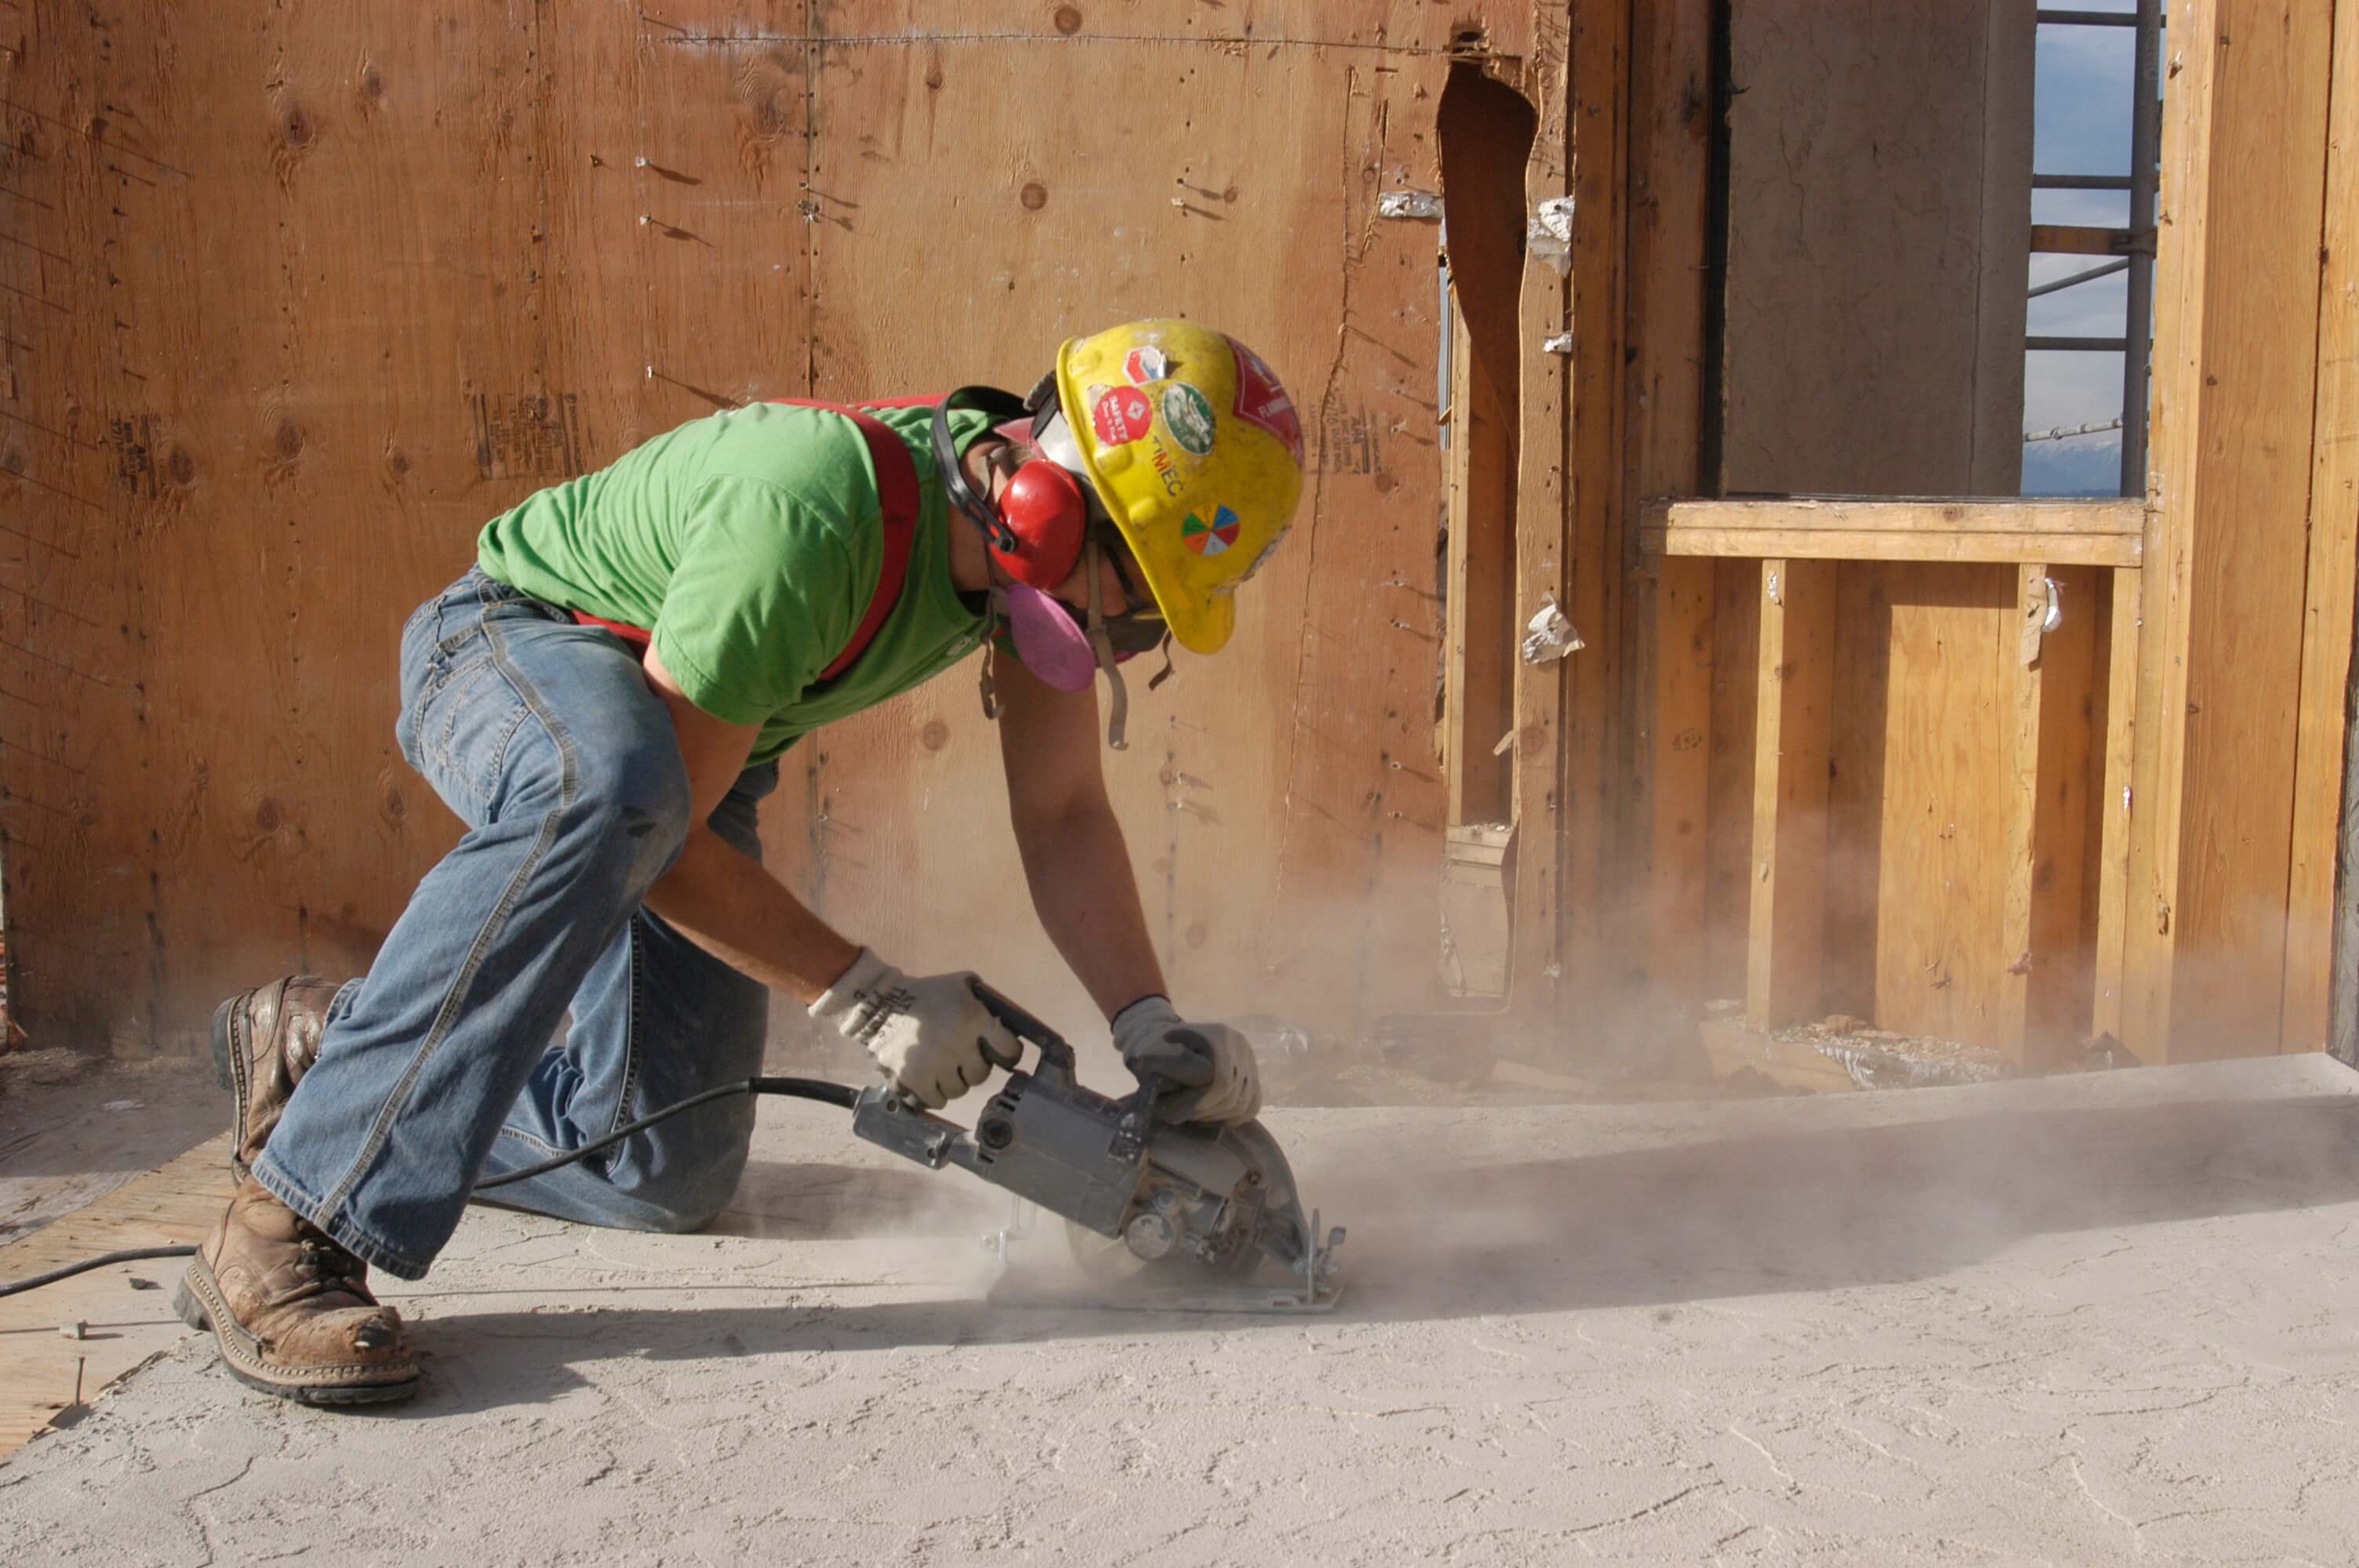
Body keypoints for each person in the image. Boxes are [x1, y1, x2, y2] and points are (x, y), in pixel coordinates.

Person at [176, 319, 1307, 1405]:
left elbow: (1060, 814)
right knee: (609, 787)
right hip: (517, 653)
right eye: (1144, 608)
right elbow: (651, 831)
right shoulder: (808, 512)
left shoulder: (1016, 565)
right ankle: (295, 1215)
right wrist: (865, 999)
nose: (1133, 639)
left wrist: (1148, 1023)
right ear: (1048, 511)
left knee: (667, 1174)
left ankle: (332, 1050)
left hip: (674, 757)